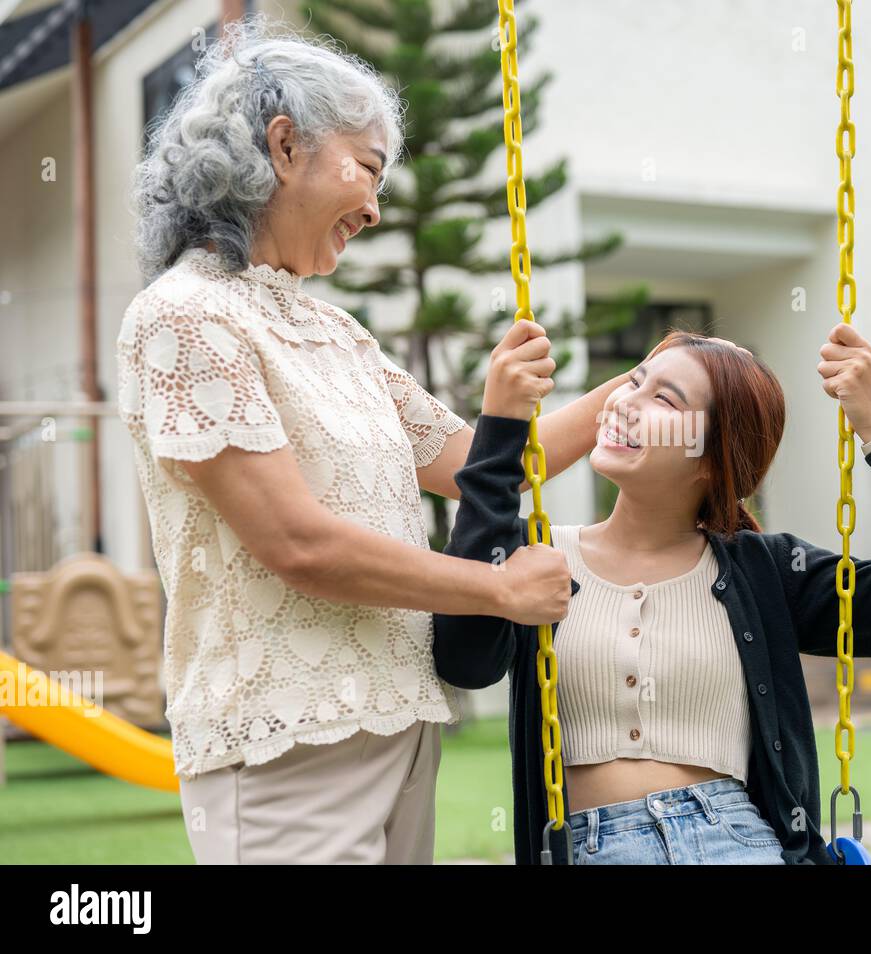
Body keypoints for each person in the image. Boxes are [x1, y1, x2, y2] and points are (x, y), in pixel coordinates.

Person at [118, 17, 606, 864]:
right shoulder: (185, 317)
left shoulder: (336, 334)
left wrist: (640, 387)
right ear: (283, 146)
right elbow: (297, 544)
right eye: (368, 169)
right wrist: (496, 591)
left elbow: (475, 468)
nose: (377, 208)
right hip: (284, 743)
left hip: (402, 724)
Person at [432, 322, 871, 864]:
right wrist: (502, 429)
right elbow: (464, 661)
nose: (622, 404)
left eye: (664, 399)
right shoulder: (537, 560)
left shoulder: (768, 573)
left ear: (711, 459)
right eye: (633, 383)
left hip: (732, 840)